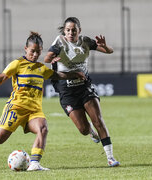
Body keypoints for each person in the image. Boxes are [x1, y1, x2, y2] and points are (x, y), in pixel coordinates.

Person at [0, 31, 85, 171]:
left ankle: (35, 163)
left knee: (43, 128)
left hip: (34, 111)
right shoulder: (17, 64)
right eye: (32, 51)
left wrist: (75, 74)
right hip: (16, 108)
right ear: (26, 49)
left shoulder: (41, 68)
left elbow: (58, 75)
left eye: (38, 52)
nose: (35, 55)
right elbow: (1, 78)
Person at [44, 17, 120, 167]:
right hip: (66, 91)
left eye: (74, 30)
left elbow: (109, 51)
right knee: (83, 129)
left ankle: (110, 157)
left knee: (98, 119)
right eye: (68, 30)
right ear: (64, 31)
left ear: (79, 30)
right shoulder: (60, 41)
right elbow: (47, 58)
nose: (71, 32)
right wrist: (53, 59)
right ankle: (91, 132)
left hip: (84, 86)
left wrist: (105, 46)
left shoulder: (85, 41)